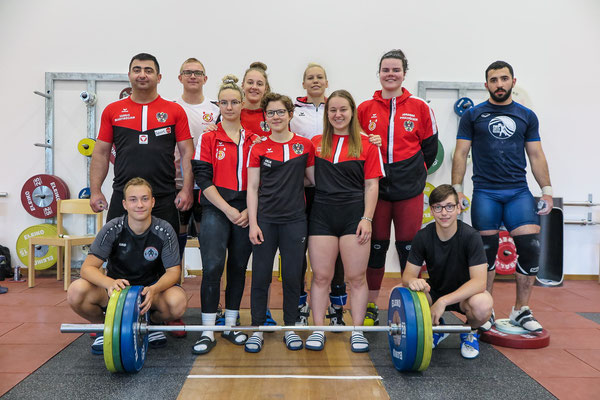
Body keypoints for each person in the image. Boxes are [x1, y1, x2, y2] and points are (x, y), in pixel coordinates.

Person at [451, 60, 553, 333]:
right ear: (487, 85)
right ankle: (485, 308)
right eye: (494, 80)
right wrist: (457, 188)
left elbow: (536, 155)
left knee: (531, 248)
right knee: (485, 254)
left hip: (518, 191)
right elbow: (460, 153)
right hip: (485, 192)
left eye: (504, 79)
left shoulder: (526, 116)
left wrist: (547, 190)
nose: (499, 84)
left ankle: (521, 310)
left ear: (513, 82)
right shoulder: (472, 116)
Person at [357, 49, 439, 326]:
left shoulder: (420, 107)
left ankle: (411, 303)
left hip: (409, 188)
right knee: (376, 247)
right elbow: (357, 148)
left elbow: (430, 149)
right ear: (378, 73)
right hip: (377, 188)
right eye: (385, 70)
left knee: (409, 247)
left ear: (404, 73)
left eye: (396, 70)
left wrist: (412, 172)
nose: (390, 74)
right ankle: (370, 305)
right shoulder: (364, 109)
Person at [67, 177, 188, 354]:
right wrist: (109, 283)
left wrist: (154, 290)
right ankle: (106, 326)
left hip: (149, 293)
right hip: (116, 293)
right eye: (133, 199)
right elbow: (87, 268)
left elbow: (173, 272)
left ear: (153, 202)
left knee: (178, 302)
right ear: (124, 204)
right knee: (75, 291)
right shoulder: (112, 228)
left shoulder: (164, 230)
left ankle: (151, 323)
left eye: (145, 199)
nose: (139, 204)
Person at [306, 90, 384, 353]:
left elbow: (371, 186)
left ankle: (357, 330)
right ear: (327, 115)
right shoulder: (315, 143)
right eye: (332, 110)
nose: (338, 115)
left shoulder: (368, 145)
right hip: (322, 215)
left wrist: (367, 218)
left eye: (343, 110)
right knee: (321, 276)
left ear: (352, 112)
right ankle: (318, 329)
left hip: (354, 216)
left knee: (356, 277)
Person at [90, 53, 195, 238]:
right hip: (123, 196)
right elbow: (101, 153)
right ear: (129, 75)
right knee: (116, 256)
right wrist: (95, 191)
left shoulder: (175, 111)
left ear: (159, 77)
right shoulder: (112, 111)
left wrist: (187, 189)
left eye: (148, 70)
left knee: (166, 259)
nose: (142, 75)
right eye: (137, 70)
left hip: (163, 196)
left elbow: (187, 153)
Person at [190, 75, 258, 355]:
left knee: (238, 269)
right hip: (216, 209)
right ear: (218, 105)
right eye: (224, 102)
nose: (229, 107)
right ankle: (208, 330)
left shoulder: (256, 140)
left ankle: (230, 326)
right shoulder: (207, 137)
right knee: (214, 267)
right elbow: (203, 181)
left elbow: (259, 183)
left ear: (242, 104)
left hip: (245, 211)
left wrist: (245, 212)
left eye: (234, 102)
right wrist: (229, 210)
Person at [245, 92, 315, 352]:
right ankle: (256, 329)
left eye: (280, 112)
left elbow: (312, 179)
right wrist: (253, 223)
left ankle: (290, 327)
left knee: (292, 277)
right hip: (265, 221)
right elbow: (252, 188)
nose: (275, 117)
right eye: (271, 113)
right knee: (261, 276)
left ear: (290, 114)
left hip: (295, 221)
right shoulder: (258, 147)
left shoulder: (305, 146)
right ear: (265, 117)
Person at [402, 184, 493, 359]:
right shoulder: (423, 236)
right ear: (432, 210)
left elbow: (480, 282)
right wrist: (413, 281)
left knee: (483, 304)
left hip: (464, 296)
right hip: (433, 291)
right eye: (438, 207)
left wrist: (444, 301)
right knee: (400, 292)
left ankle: (470, 331)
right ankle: (437, 327)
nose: (444, 213)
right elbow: (407, 275)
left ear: (458, 208)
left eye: (449, 206)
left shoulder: (471, 236)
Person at [290, 63, 346, 327]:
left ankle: (336, 306)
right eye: (310, 77)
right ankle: (300, 304)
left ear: (327, 82)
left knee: (335, 251)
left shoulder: (336, 109)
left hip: (331, 188)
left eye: (319, 77)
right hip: (300, 189)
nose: (315, 81)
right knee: (298, 250)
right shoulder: (292, 110)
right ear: (303, 83)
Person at [174, 57, 220, 256]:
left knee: (208, 238)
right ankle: (173, 282)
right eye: (188, 72)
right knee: (176, 237)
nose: (193, 76)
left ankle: (209, 284)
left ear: (205, 78)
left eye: (198, 73)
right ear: (180, 78)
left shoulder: (217, 110)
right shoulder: (171, 108)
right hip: (176, 183)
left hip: (207, 185)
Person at [240, 61, 271, 136]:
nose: (254, 87)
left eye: (259, 84)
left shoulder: (273, 116)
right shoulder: (232, 113)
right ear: (243, 85)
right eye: (250, 83)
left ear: (265, 88)